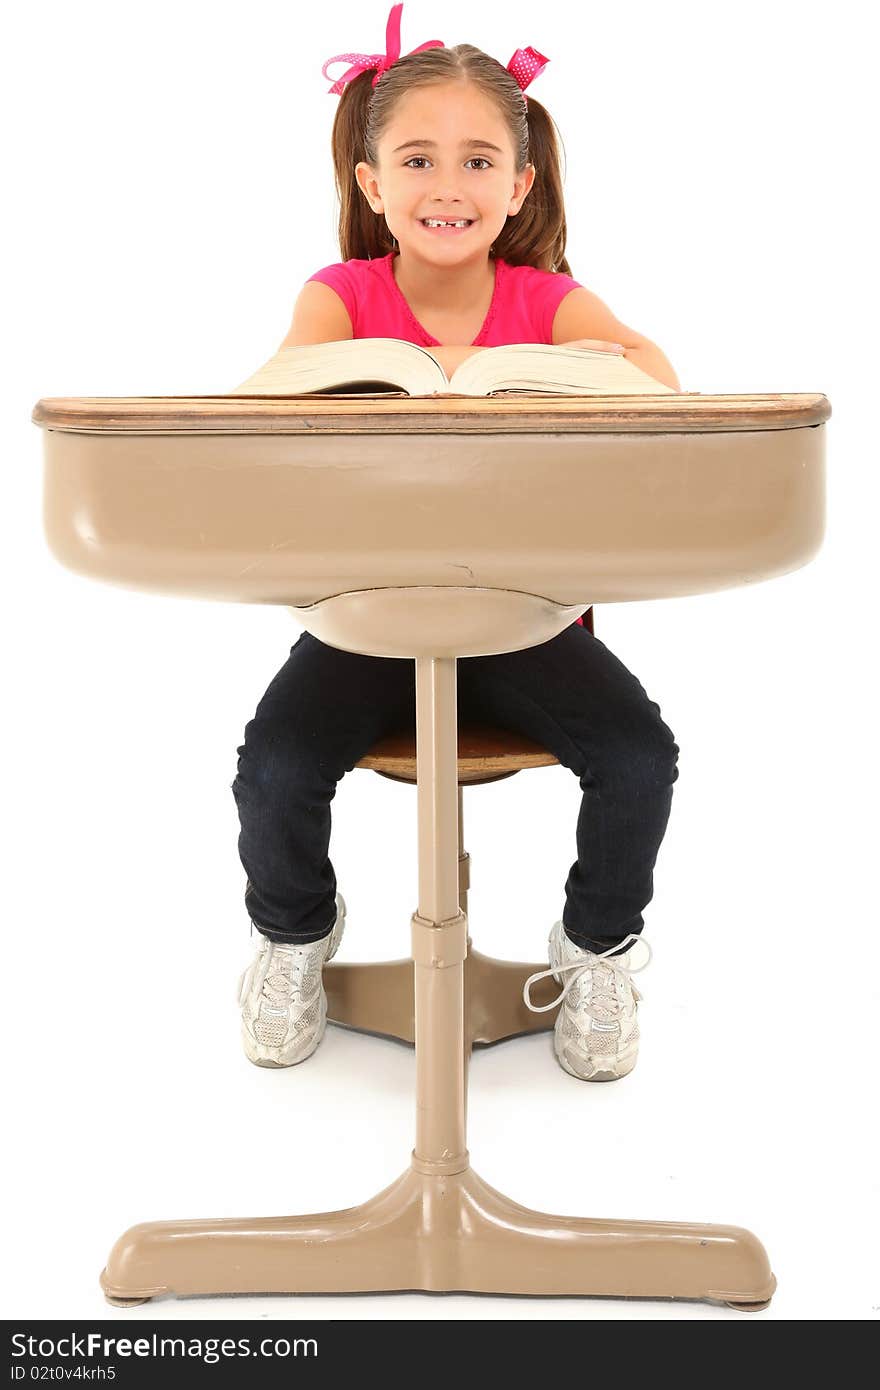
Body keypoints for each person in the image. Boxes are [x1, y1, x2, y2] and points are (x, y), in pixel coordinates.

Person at [235, 3, 681, 1082]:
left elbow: (652, 375)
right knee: (277, 768)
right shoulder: (341, 295)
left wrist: (566, 372)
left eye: (479, 160)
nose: (448, 186)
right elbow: (267, 394)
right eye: (417, 159)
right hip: (370, 617)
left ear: (519, 185)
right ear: (370, 181)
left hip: (523, 616)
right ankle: (293, 939)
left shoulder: (547, 298)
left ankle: (597, 952)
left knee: (637, 759)